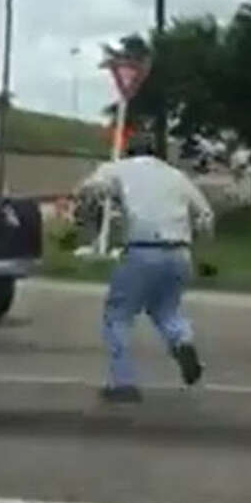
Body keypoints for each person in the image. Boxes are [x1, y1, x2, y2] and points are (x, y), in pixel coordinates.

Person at [74, 135, 216, 403]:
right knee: (166, 309)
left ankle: (122, 382)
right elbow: (205, 216)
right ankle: (182, 342)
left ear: (129, 152)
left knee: (118, 314)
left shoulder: (118, 168)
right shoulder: (176, 176)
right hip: (179, 251)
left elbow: (89, 190)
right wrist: (201, 249)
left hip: (142, 248)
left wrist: (95, 218)